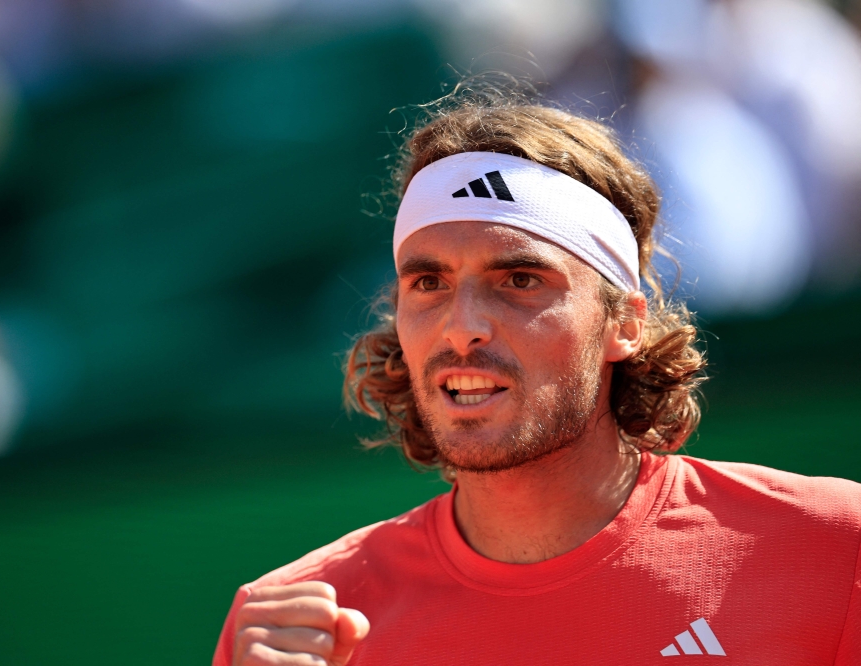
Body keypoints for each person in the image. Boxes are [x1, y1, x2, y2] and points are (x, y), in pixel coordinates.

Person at [212, 82, 861, 665]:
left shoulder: (836, 549)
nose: (462, 324)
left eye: (519, 279)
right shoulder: (289, 627)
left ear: (623, 324)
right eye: (429, 282)